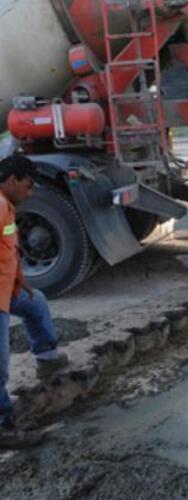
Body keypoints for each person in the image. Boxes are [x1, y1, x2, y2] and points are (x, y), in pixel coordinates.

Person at [0, 155, 68, 447]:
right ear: (12, 180)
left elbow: (8, 246)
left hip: (7, 287)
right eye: (27, 186)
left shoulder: (8, 206)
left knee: (36, 302)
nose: (30, 193)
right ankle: (5, 426)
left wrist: (21, 281)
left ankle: (47, 360)